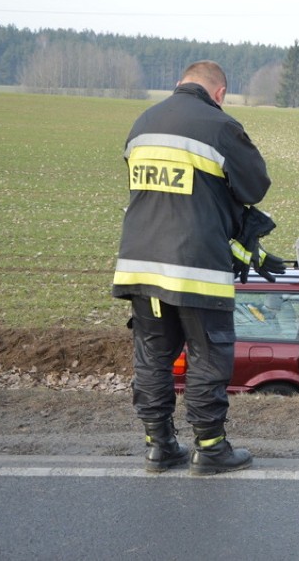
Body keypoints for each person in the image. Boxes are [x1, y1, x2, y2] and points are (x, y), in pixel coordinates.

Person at [113, 60, 274, 475]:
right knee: (207, 356)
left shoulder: (143, 122)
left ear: (178, 83)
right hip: (195, 268)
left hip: (139, 265)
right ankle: (210, 448)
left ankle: (159, 445)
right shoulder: (220, 126)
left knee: (153, 357)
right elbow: (255, 186)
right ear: (219, 93)